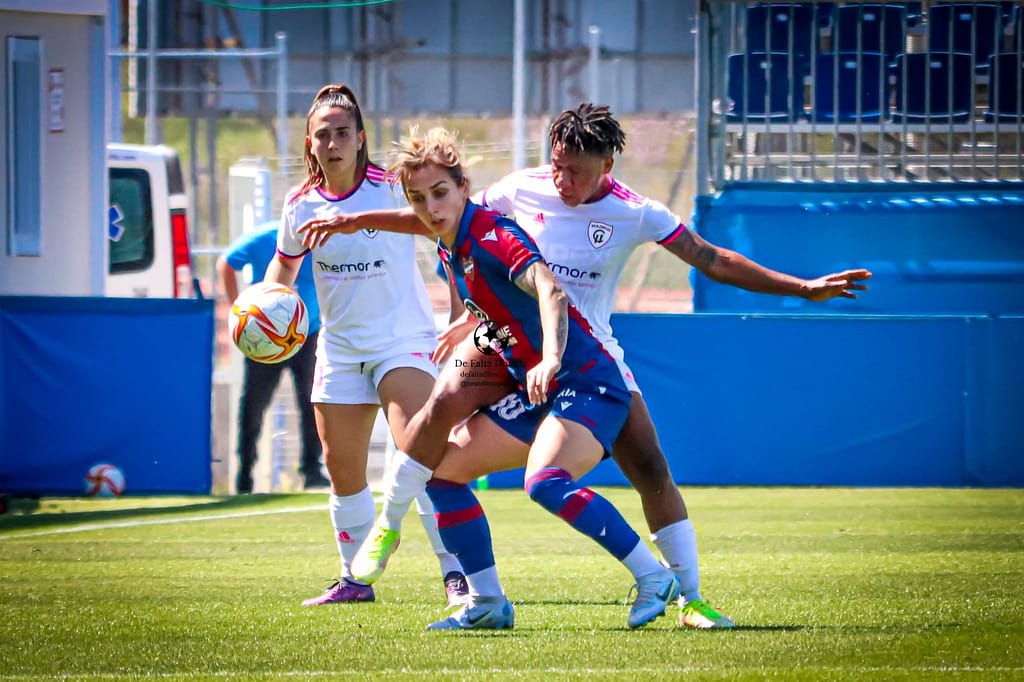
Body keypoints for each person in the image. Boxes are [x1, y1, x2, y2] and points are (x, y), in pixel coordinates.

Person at [300, 103, 872, 629]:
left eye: (575, 170)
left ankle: (688, 598)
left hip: (583, 358)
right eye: (556, 165)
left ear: (607, 166)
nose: (561, 180)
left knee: (649, 470)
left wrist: (802, 288)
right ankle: (423, 552)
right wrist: (359, 223)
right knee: (440, 409)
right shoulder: (517, 190)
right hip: (510, 348)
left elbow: (710, 258)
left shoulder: (635, 212)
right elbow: (440, 213)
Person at [351, 126, 681, 631]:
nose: (430, 208)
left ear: (464, 187)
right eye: (418, 199)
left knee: (545, 482)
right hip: (531, 388)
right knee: (442, 474)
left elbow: (550, 291)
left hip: (586, 382)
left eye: (440, 193)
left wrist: (550, 357)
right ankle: (486, 601)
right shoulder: (450, 243)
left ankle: (655, 577)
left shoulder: (494, 235)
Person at [261, 84, 468, 608]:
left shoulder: (393, 188)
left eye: (342, 133)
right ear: (309, 143)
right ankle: (354, 579)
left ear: (360, 139)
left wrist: (461, 310)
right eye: (322, 135)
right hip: (340, 349)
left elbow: (449, 238)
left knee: (421, 454)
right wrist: (266, 309)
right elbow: (283, 269)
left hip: (403, 342)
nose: (332, 144)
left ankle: (457, 573)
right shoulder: (299, 203)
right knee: (341, 468)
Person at [217, 221, 330, 494]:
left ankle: (312, 471)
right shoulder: (263, 237)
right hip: (266, 339)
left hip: (307, 334)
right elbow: (226, 263)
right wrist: (239, 309)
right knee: (254, 406)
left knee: (313, 402)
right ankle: (245, 474)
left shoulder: (318, 238)